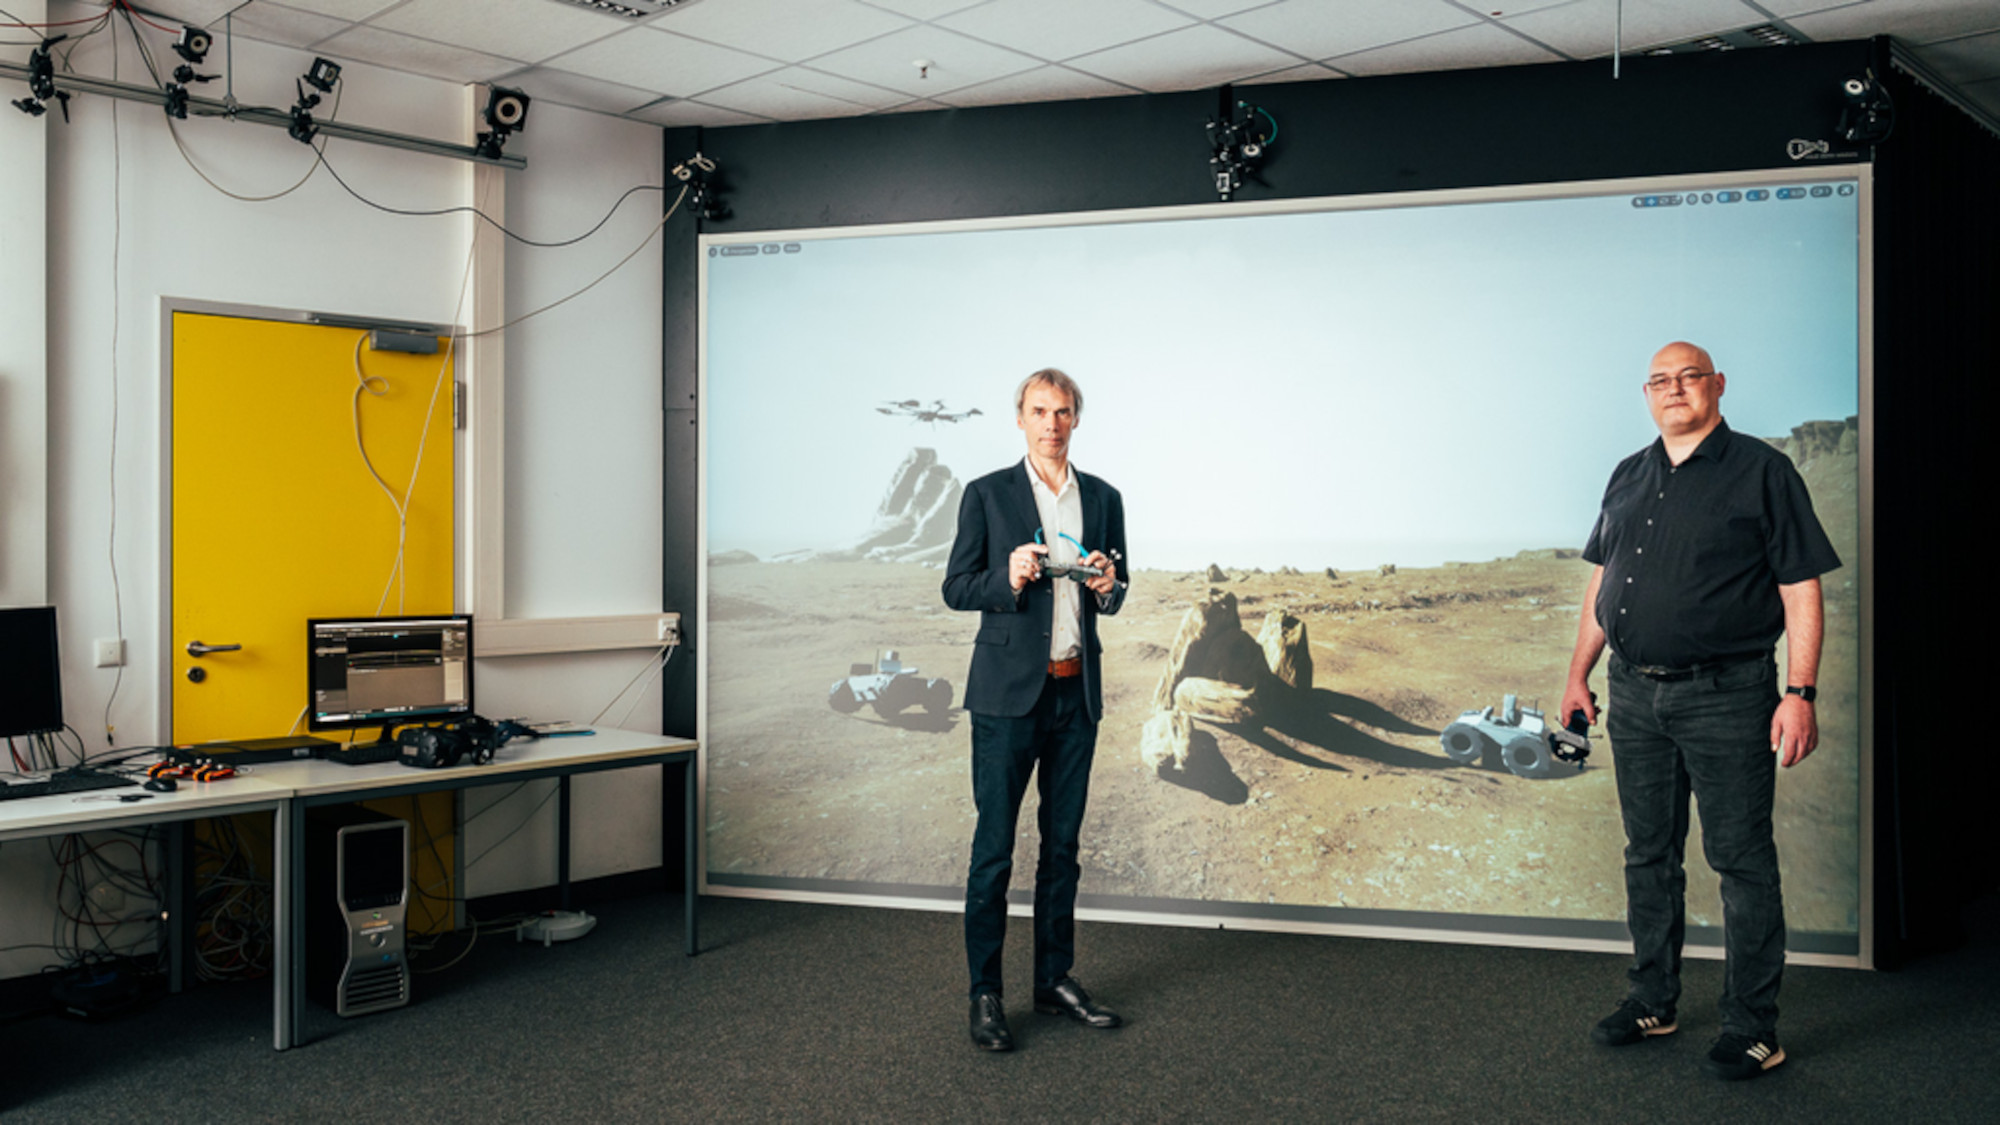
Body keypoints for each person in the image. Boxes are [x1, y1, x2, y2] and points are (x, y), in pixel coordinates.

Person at [1561, 341, 1840, 1081]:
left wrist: (1800, 691)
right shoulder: (1628, 474)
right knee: (1648, 854)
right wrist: (1577, 674)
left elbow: (1800, 588)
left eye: (1689, 376)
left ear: (1717, 385)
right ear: (1646, 394)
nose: (1674, 388)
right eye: (1660, 380)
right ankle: (1653, 1001)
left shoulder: (1763, 470)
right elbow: (1602, 585)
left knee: (1741, 862)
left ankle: (1755, 1027)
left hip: (1730, 695)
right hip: (1634, 695)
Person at [942, 368, 1129, 1052]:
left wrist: (1110, 585)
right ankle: (984, 993)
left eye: (1064, 411)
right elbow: (956, 586)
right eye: (1040, 410)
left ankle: (1053, 981)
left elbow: (1117, 587)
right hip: (1006, 700)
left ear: (1077, 418)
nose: (1052, 422)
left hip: (1074, 695)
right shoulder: (987, 495)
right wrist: (1006, 576)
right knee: (994, 850)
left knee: (1063, 849)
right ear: (1020, 418)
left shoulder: (1104, 498)